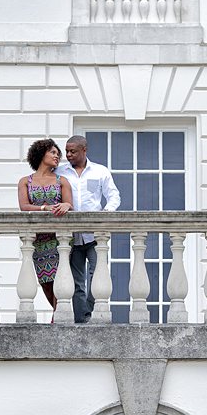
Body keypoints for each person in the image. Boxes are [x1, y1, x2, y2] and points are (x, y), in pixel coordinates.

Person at [56, 135, 120, 323]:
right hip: (71, 236)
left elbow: (114, 195)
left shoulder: (100, 171)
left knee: (97, 274)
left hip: (94, 235)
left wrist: (105, 214)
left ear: (84, 150)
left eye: (72, 151)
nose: (68, 155)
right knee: (76, 279)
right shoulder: (61, 172)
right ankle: (81, 318)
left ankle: (90, 311)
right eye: (66, 151)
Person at [18, 138, 73, 312]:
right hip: (38, 240)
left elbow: (70, 205)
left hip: (59, 239)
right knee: (46, 283)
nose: (57, 157)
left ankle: (56, 318)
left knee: (59, 279)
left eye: (58, 154)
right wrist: (44, 207)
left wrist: (66, 205)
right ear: (41, 154)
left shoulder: (61, 180)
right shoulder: (25, 181)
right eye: (53, 152)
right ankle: (57, 314)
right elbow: (24, 206)